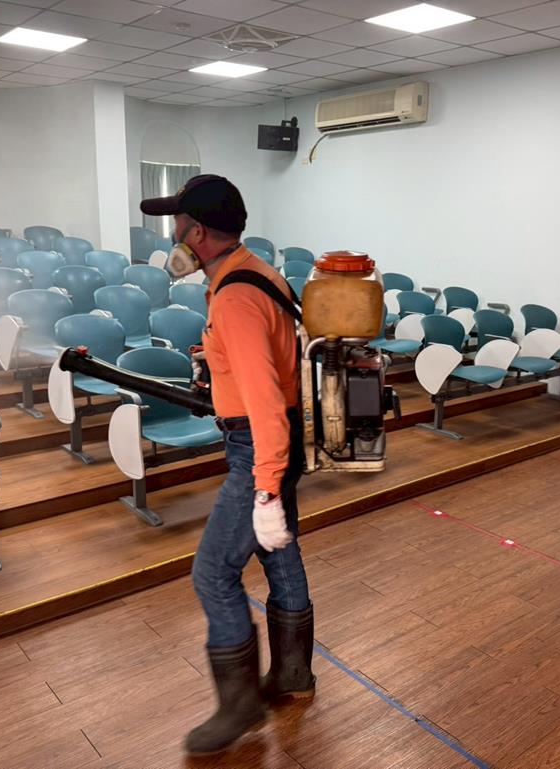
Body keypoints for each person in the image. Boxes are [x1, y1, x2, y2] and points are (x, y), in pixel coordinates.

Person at [141, 175, 315, 756]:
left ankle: (239, 707)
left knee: (213, 574)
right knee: (279, 555)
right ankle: (292, 674)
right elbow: (267, 365)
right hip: (277, 437)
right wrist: (214, 363)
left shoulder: (235, 296)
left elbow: (263, 399)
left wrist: (265, 489)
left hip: (258, 447)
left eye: (177, 224)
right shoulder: (255, 271)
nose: (172, 234)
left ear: (197, 233)